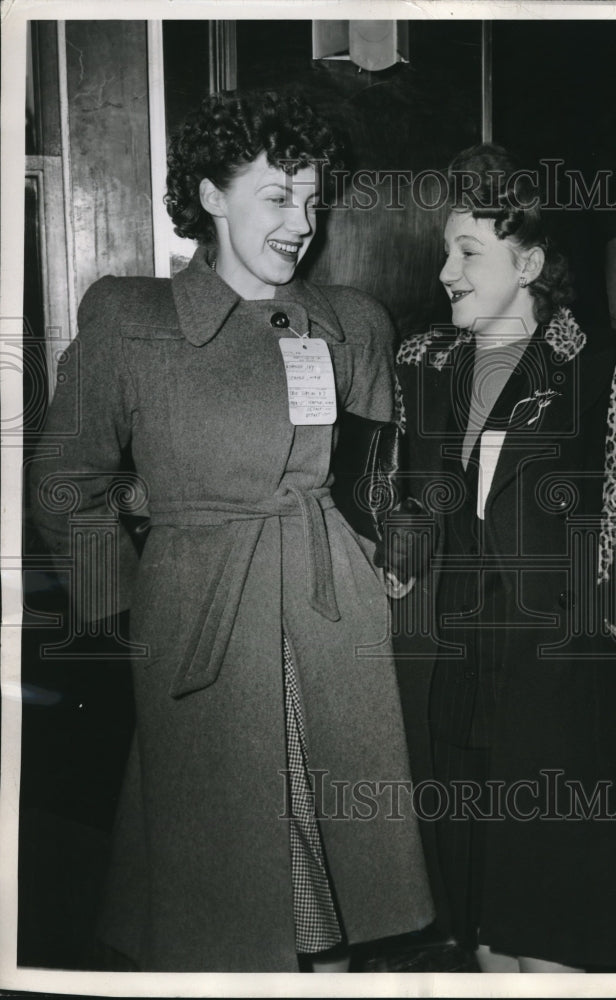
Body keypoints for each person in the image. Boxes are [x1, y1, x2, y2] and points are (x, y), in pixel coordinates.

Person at [30, 89, 433, 973]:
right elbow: (67, 486)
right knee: (223, 896)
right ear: (212, 197)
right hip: (200, 629)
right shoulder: (130, 318)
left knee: (338, 882)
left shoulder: (355, 322)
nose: (303, 222)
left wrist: (391, 549)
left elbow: (376, 483)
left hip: (334, 628)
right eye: (279, 196)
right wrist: (136, 612)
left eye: (313, 200)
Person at [393, 143, 616, 972]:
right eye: (445, 250)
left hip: (563, 700)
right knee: (475, 938)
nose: (444, 270)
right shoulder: (423, 367)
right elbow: (405, 501)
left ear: (530, 263)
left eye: (466, 252)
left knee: (555, 947)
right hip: (450, 698)